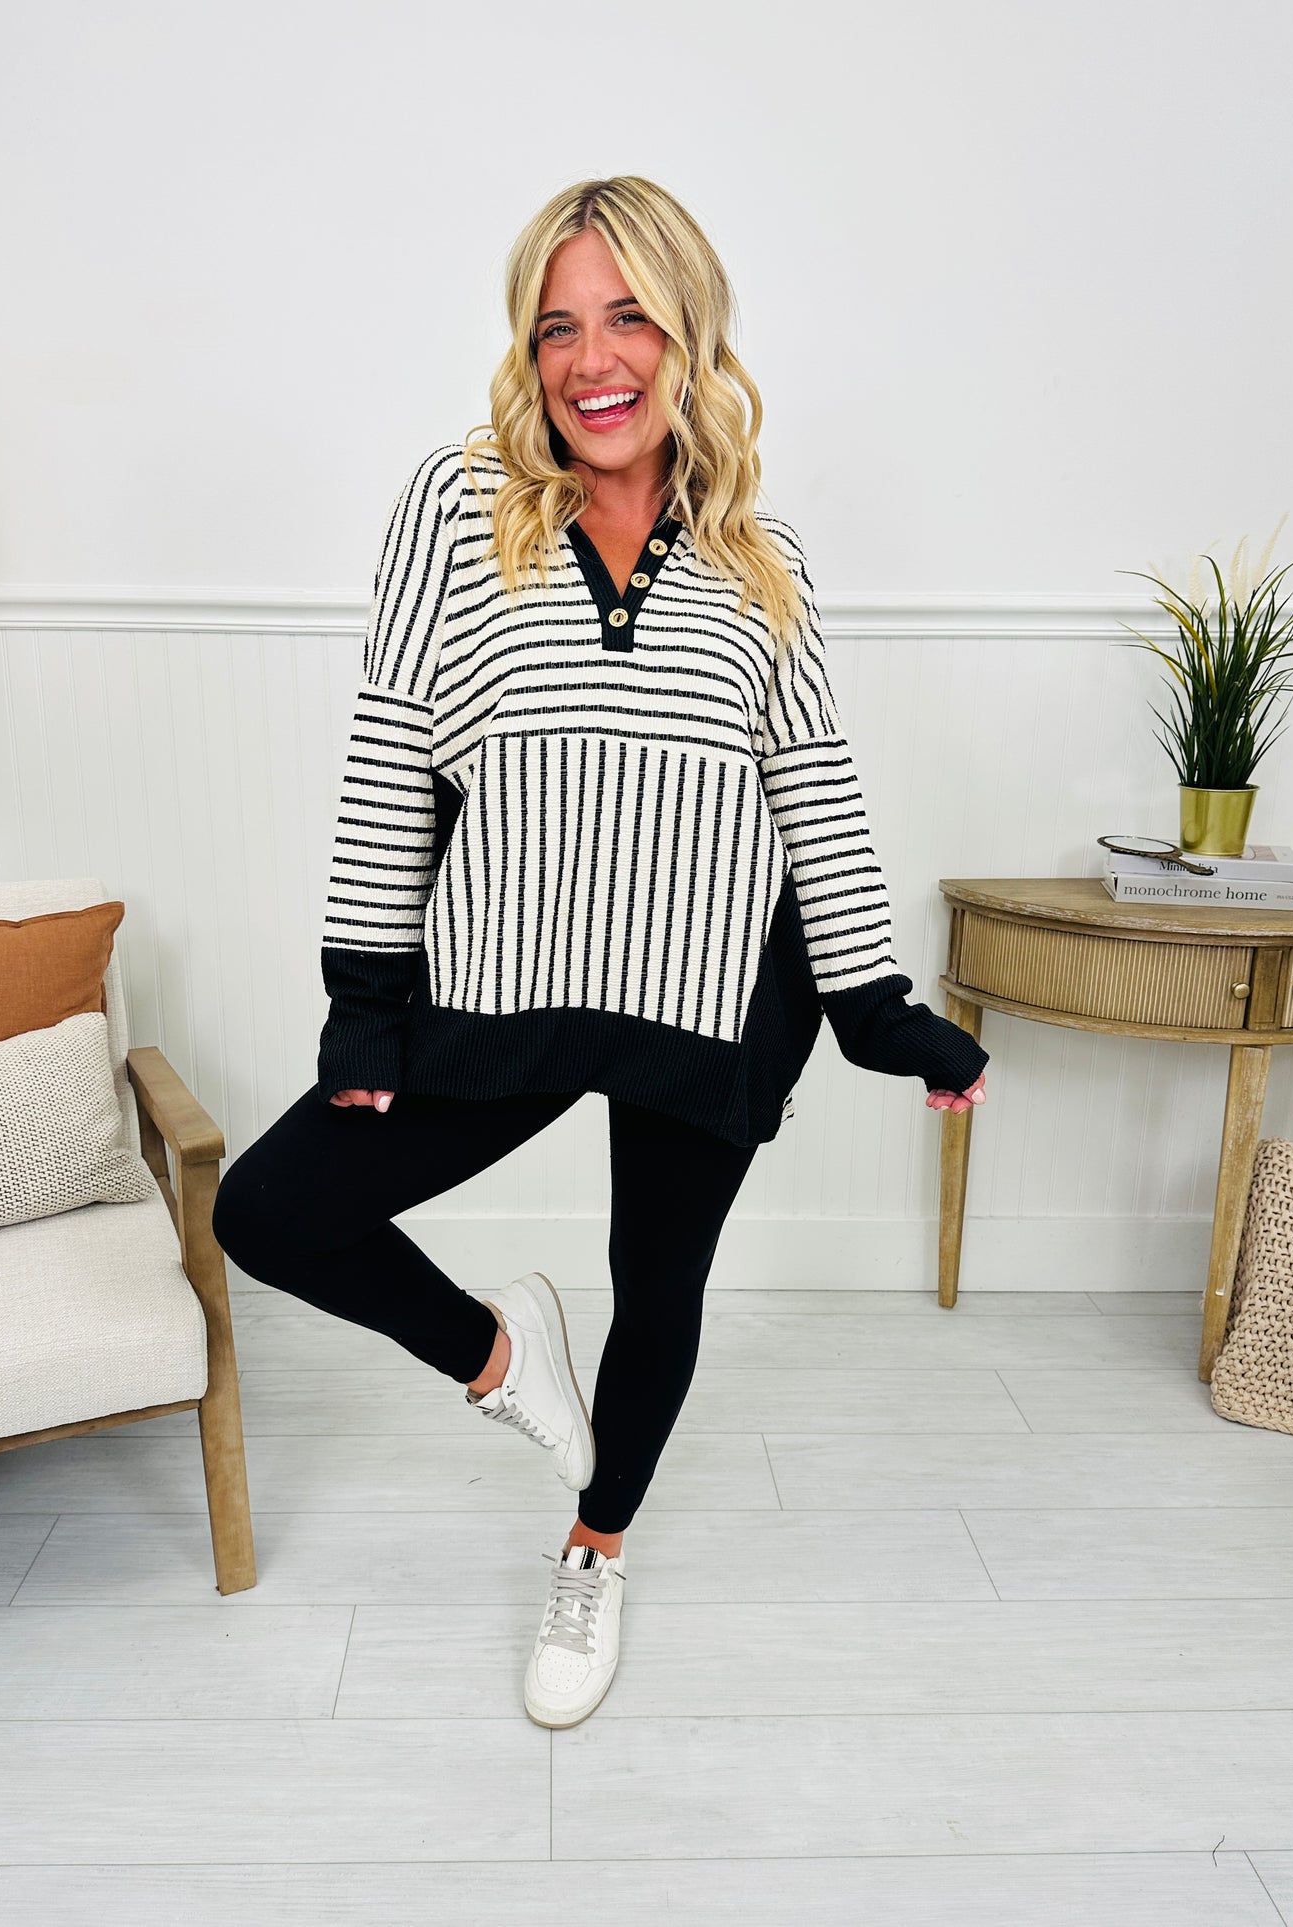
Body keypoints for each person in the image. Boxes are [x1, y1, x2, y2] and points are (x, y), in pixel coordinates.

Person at [213, 174, 990, 1729]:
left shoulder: (763, 564)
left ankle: (595, 1547)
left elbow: (812, 789)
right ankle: (506, 1359)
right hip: (505, 984)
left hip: (714, 991)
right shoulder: (458, 509)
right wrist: (366, 1004)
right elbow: (390, 758)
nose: (591, 360)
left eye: (628, 316)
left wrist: (876, 1004)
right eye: (556, 327)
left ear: (689, 334)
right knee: (272, 1210)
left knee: (660, 1281)